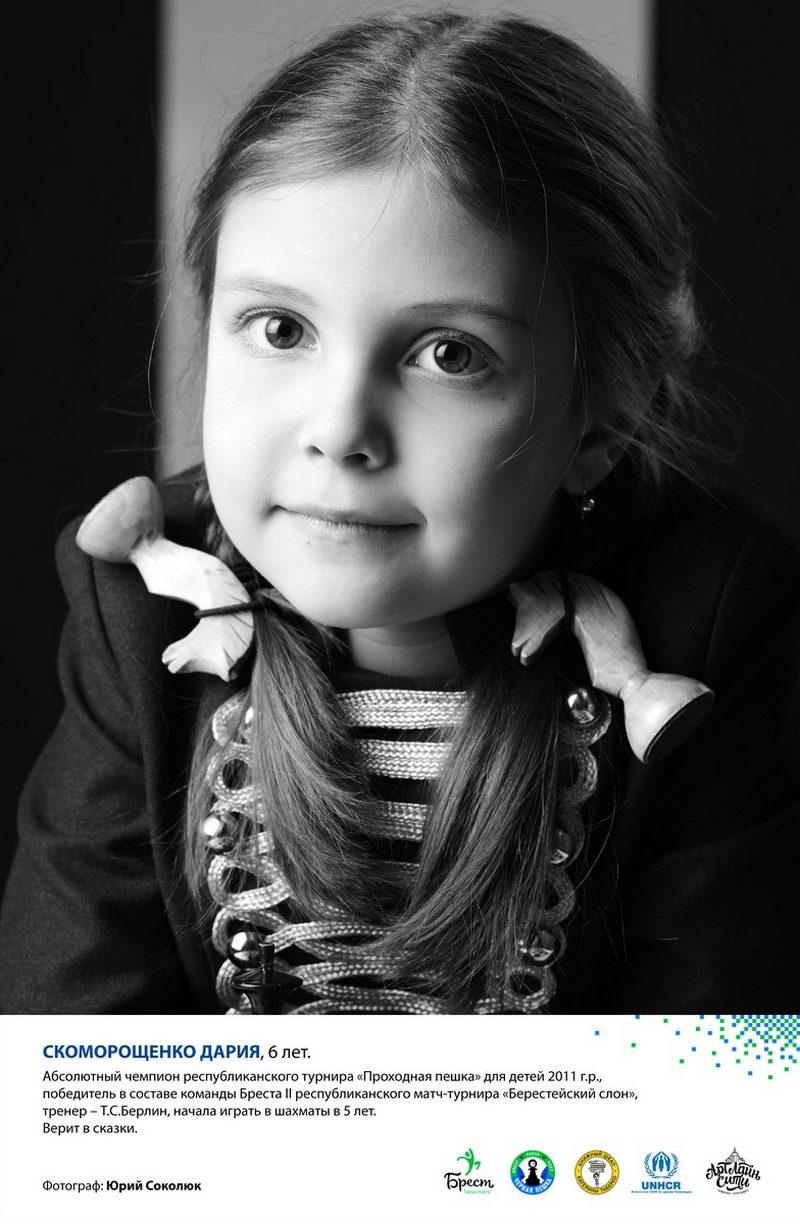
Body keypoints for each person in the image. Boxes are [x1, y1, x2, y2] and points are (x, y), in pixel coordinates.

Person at [1, 10, 798, 1016]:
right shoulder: (139, 606)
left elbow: (712, 1079)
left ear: (601, 419)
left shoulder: (714, 613)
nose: (340, 432)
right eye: (279, 329)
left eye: (449, 355)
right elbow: (70, 1059)